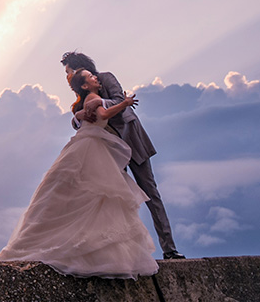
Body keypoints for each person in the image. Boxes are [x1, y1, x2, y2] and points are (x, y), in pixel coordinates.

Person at [0, 69, 158, 278]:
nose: (96, 78)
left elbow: (85, 116)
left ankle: (53, 242)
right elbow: (104, 115)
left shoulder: (89, 100)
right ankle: (90, 251)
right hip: (90, 148)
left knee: (79, 195)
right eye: (91, 77)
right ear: (85, 85)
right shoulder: (93, 97)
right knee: (97, 194)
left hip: (86, 145)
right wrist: (124, 104)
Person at [60, 51, 186, 260]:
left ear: (79, 68)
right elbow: (79, 120)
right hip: (109, 150)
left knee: (151, 194)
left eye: (68, 71)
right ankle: (128, 252)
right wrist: (79, 115)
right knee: (118, 199)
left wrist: (99, 103)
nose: (66, 76)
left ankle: (169, 249)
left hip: (133, 142)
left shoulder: (105, 78)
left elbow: (119, 100)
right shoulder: (82, 93)